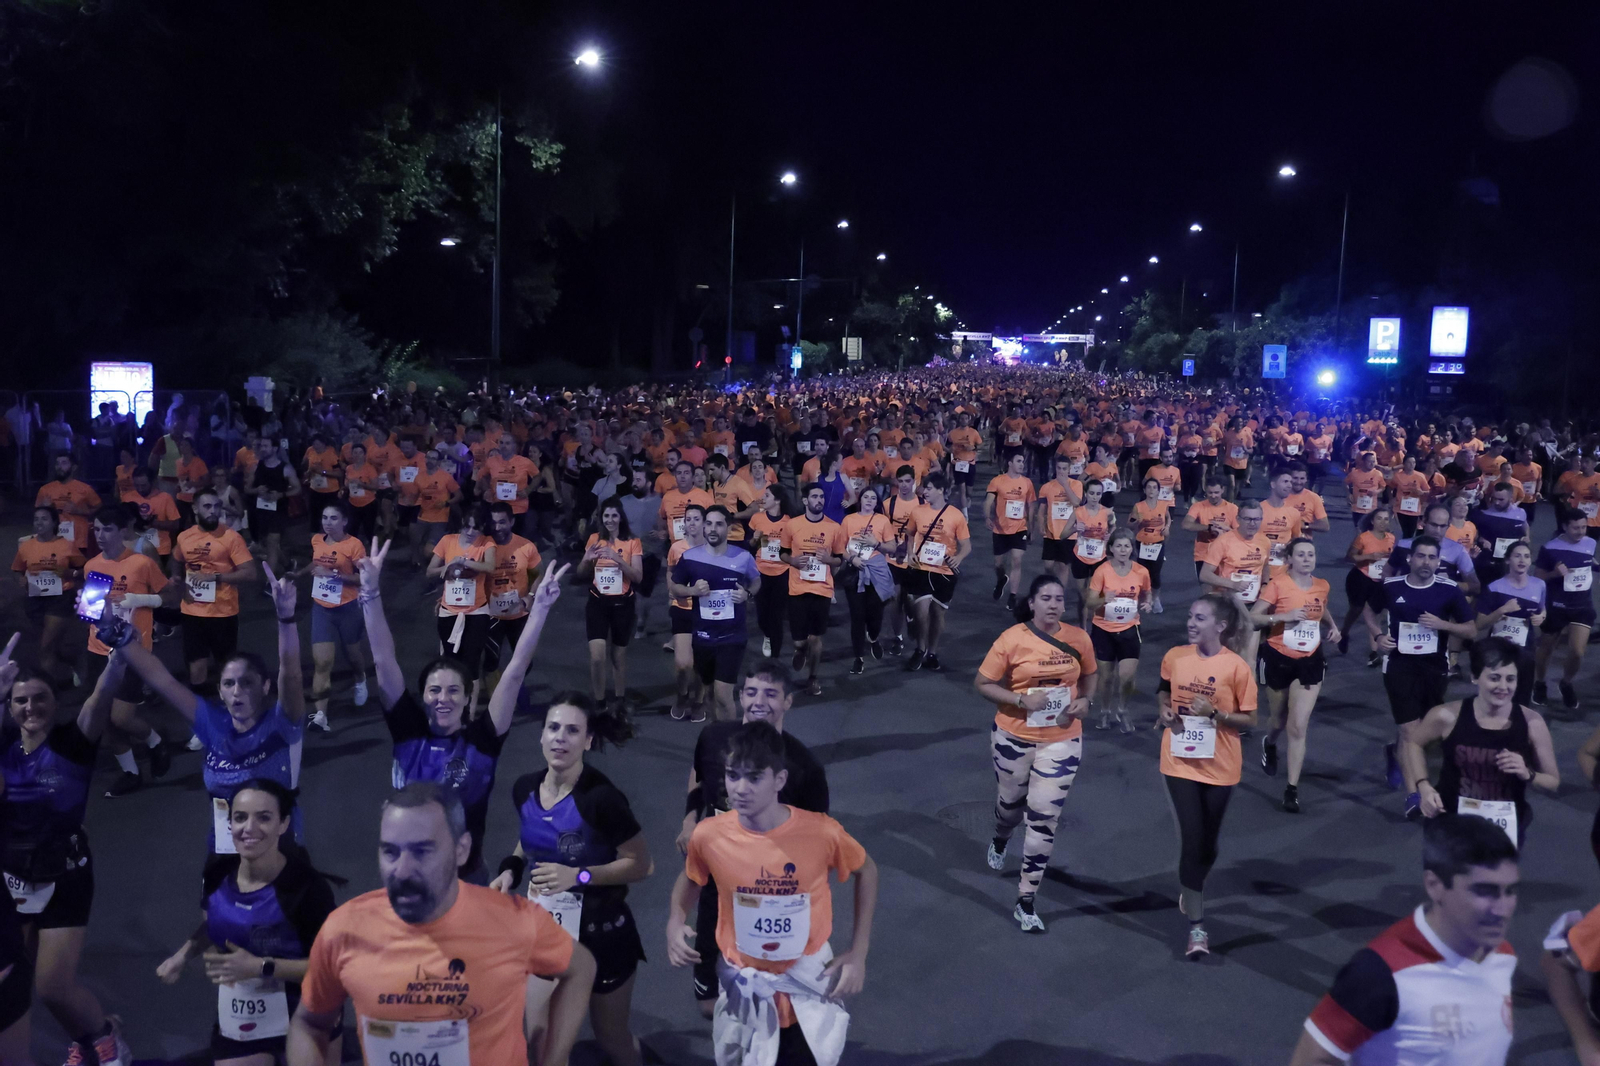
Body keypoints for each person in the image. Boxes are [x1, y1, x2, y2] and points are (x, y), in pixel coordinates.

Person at [286, 782, 596, 1066]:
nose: (402, 870)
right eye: (390, 852)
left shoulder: (513, 921)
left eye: (422, 851)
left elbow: (581, 968)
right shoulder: (344, 929)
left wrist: (553, 1059)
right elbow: (310, 1022)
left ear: (461, 850)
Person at [666, 721, 877, 1066]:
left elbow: (866, 870)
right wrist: (675, 920)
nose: (740, 788)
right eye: (733, 776)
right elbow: (691, 877)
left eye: (754, 777)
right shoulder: (709, 836)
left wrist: (859, 952)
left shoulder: (821, 833)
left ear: (779, 781)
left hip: (804, 991)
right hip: (744, 991)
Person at [365, 537, 567, 882]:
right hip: (410, 876)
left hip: (469, 877)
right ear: (423, 695)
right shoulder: (408, 731)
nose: (443, 698)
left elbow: (516, 668)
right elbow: (383, 661)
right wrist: (370, 594)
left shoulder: (482, 740)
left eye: (453, 690)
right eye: (434, 690)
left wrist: (541, 609)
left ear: (467, 696)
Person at [487, 694, 649, 1066]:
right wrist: (511, 868)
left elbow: (642, 865)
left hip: (604, 933)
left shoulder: (602, 799)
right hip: (546, 931)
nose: (560, 738)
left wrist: (580, 875)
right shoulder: (524, 788)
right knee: (540, 1046)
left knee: (614, 1041)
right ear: (541, 736)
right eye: (553, 728)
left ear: (588, 741)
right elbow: (532, 840)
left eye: (573, 730)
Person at [1290, 815, 1518, 1066]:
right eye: (1484, 891)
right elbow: (1312, 1059)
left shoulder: (1503, 955)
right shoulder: (1381, 972)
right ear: (1435, 886)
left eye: (1509, 891)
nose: (1502, 909)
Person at [0, 635, 130, 1066]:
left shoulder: (73, 742)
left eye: (40, 699)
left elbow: (103, 693)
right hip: (12, 877)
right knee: (12, 981)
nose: (30, 707)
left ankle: (104, 1038)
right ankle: (81, 1034)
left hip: (65, 876)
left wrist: (117, 653)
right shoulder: (3, 748)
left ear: (55, 703)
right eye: (20, 700)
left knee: (53, 987)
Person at [676, 661, 829, 1018]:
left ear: (788, 702)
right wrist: (689, 819)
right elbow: (699, 778)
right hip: (717, 886)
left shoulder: (805, 767)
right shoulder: (713, 738)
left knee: (769, 1003)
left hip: (772, 896)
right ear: (740, 696)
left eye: (771, 694)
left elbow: (818, 842)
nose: (759, 701)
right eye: (751, 692)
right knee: (708, 1004)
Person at [121, 564, 307, 855]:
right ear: (219, 690)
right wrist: (119, 639)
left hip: (277, 856)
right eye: (229, 683)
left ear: (266, 687)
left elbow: (292, 674)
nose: (237, 691)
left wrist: (286, 617)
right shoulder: (212, 723)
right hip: (224, 852)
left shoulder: (282, 724)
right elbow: (161, 679)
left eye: (247, 683)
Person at [156, 780, 340, 1066]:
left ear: (283, 824)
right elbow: (219, 922)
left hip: (308, 1010)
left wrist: (260, 967)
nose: (249, 828)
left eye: (264, 817)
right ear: (229, 823)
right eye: (240, 817)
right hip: (245, 1014)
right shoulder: (217, 874)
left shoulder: (307, 889)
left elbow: (332, 970)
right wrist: (182, 956)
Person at [974, 575, 1097, 932]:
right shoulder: (1011, 640)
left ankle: (1025, 899)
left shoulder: (1079, 638)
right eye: (1046, 597)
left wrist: (1087, 700)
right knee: (1010, 807)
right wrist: (1019, 700)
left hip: (1062, 739)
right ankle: (1001, 836)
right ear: (1032, 603)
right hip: (1014, 737)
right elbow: (982, 683)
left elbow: (1090, 675)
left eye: (1059, 598)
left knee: (1043, 818)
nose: (1054, 604)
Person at [1156, 594, 1257, 959]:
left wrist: (1216, 714)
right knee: (1193, 838)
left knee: (1209, 846)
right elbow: (1163, 690)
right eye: (1189, 616)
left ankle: (1192, 884)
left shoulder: (1237, 669)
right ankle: (1197, 928)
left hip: (1221, 764)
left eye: (1200, 618)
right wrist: (1165, 711)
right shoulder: (1175, 657)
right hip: (1179, 758)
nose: (1191, 623)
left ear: (1221, 626)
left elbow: (1250, 719)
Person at [1400, 638, 1558, 851]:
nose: (1503, 687)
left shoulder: (1532, 723)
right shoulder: (1446, 716)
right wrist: (1423, 786)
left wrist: (1527, 773)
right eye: (1494, 678)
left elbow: (1553, 782)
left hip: (1503, 829)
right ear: (1475, 677)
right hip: (1450, 824)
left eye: (1510, 679)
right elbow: (1414, 743)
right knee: (1449, 882)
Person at [1369, 536, 1478, 816]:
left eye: (1432, 557)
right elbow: (1370, 612)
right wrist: (1379, 637)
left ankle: (1395, 753)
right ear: (1410, 559)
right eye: (1421, 556)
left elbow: (1471, 630)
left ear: (1438, 562)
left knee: (1426, 735)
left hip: (1434, 668)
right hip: (1399, 666)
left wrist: (1442, 624)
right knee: (1410, 730)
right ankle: (1414, 796)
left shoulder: (1449, 590)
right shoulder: (1392, 587)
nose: (1426, 562)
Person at [83, 506, 174, 796]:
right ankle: (130, 772)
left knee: (120, 717)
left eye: (106, 529)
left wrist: (138, 599)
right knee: (104, 718)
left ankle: (156, 742)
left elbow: (170, 596)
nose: (100, 535)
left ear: (122, 531)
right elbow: (91, 610)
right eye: (96, 529)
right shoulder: (92, 565)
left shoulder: (140, 563)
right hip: (98, 650)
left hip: (133, 652)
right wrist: (97, 611)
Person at [1251, 538, 1340, 813]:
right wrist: (1282, 617)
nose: (1306, 559)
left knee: (1298, 725)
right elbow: (1253, 618)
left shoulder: (1322, 585)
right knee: (1278, 719)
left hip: (1310, 659)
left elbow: (1320, 608)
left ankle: (1291, 789)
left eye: (1311, 554)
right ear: (1289, 558)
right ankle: (1270, 742)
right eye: (1301, 554)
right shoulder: (1277, 584)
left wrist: (1333, 626)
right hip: (1278, 658)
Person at [672, 506, 763, 720]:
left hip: (732, 637)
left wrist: (747, 594)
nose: (713, 529)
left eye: (719, 524)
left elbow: (756, 580)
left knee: (723, 695)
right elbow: (675, 587)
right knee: (711, 692)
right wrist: (692, 591)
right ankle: (717, 736)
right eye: (709, 523)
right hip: (703, 637)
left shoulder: (742, 557)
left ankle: (733, 743)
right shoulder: (690, 558)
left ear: (728, 528)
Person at [173, 487, 259, 692]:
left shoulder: (231, 537)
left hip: (223, 612)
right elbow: (177, 559)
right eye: (207, 506)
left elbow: (250, 573)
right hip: (192, 611)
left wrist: (216, 577)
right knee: (196, 669)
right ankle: (200, 712)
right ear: (195, 509)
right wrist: (176, 578)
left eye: (217, 506)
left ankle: (229, 705)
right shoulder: (185, 537)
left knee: (225, 666)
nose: (213, 511)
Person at [300, 502, 370, 732]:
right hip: (322, 608)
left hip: (347, 607)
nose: (327, 523)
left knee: (353, 654)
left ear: (344, 522)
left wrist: (336, 575)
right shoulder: (317, 540)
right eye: (324, 517)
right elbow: (316, 562)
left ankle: (360, 679)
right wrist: (299, 573)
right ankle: (321, 715)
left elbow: (363, 578)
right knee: (322, 663)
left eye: (333, 518)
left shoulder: (354, 545)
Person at [425, 500, 496, 708]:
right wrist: (448, 566)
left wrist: (464, 562)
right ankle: (452, 705)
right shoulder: (448, 541)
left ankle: (469, 713)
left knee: (472, 662)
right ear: (461, 524)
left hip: (476, 611)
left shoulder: (487, 543)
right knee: (451, 662)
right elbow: (430, 571)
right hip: (449, 611)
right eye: (467, 526)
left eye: (476, 527)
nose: (471, 531)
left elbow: (490, 566)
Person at [899, 474, 971, 671]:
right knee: (921, 612)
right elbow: (910, 534)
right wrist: (910, 553)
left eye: (929, 488)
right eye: (924, 488)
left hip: (944, 572)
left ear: (940, 490)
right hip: (922, 568)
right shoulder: (917, 511)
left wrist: (959, 558)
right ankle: (920, 649)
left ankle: (932, 652)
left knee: (937, 614)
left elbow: (966, 546)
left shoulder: (956, 515)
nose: (925, 492)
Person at [578, 498, 644, 712]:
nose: (610, 520)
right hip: (597, 603)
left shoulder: (632, 542)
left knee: (618, 655)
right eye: (606, 515)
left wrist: (618, 559)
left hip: (622, 605)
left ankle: (620, 697)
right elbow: (580, 573)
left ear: (621, 517)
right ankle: (599, 700)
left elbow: (638, 577)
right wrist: (587, 559)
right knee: (597, 657)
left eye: (614, 515)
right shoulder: (594, 540)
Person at [1084, 529, 1150, 732]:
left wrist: (1147, 604)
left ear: (1132, 548)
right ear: (1111, 548)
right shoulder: (1102, 571)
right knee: (1106, 677)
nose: (1123, 550)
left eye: (1127, 546)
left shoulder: (1141, 572)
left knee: (1127, 677)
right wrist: (1105, 599)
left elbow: (1146, 594)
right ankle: (1104, 711)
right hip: (1104, 629)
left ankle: (1122, 709)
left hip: (1130, 628)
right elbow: (1089, 603)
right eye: (1119, 546)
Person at [781, 486, 845, 696]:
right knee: (800, 640)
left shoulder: (834, 527)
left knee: (816, 637)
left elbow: (839, 558)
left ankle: (813, 678)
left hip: (822, 588)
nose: (819, 500)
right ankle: (800, 649)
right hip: (797, 588)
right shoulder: (792, 525)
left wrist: (829, 560)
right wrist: (792, 561)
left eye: (821, 497)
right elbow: (783, 553)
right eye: (814, 497)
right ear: (806, 501)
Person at [11, 505, 84, 686]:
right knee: (52, 645)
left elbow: (84, 568)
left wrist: (71, 574)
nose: (39, 523)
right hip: (35, 600)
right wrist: (22, 581)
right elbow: (18, 570)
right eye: (36, 519)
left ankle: (50, 689)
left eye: (44, 519)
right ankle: (73, 662)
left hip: (61, 598)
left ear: (54, 523)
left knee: (45, 647)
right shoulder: (26, 547)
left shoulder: (66, 545)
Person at [1532, 505, 1596, 710]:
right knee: (1546, 648)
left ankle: (1566, 682)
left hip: (1582, 605)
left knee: (1577, 652)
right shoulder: (1550, 548)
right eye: (1576, 528)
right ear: (1564, 527)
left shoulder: (1590, 543)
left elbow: (1588, 561)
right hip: (1556, 606)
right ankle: (1540, 682)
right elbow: (1538, 577)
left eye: (1584, 527)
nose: (1580, 532)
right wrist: (1554, 574)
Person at [1199, 499, 1270, 666]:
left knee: (1249, 660)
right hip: (1229, 604)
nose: (1253, 523)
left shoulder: (1264, 541)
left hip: (1253, 605)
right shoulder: (1223, 542)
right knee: (1228, 657)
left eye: (1257, 519)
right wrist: (1232, 585)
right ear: (1238, 519)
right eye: (1248, 519)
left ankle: (1247, 691)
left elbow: (1266, 566)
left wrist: (1265, 585)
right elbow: (1204, 575)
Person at [1476, 541, 1545, 707]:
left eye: (1526, 556)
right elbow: (1479, 624)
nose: (1522, 560)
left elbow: (1542, 609)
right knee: (1496, 696)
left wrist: (1541, 617)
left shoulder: (1539, 585)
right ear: (1507, 560)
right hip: (1497, 650)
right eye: (1517, 556)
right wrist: (1501, 611)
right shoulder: (1494, 588)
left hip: (1526, 649)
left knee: (1522, 698)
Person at [839, 486, 894, 674]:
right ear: (860, 500)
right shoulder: (848, 520)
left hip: (876, 572)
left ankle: (874, 637)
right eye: (865, 497)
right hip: (855, 572)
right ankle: (858, 657)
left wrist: (876, 544)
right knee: (857, 616)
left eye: (873, 498)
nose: (869, 500)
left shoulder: (882, 520)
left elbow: (892, 547)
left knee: (875, 613)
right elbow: (839, 547)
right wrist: (851, 558)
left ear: (877, 502)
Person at [666, 505, 708, 721]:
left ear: (704, 522)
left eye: (696, 519)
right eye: (688, 519)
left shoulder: (713, 548)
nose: (691, 523)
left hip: (707, 612)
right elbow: (671, 572)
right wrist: (671, 592)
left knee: (702, 662)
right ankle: (682, 695)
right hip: (682, 608)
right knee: (683, 664)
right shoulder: (676, 548)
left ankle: (699, 701)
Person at [1338, 506, 1395, 666]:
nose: (1383, 522)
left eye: (1386, 519)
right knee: (1356, 610)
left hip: (1379, 581)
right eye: (1379, 518)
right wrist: (1369, 556)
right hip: (1360, 578)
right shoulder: (1363, 537)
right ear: (1372, 521)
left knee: (1375, 613)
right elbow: (1350, 557)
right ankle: (1344, 632)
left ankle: (1373, 653)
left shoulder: (1391, 538)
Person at [243, 436, 300, 578]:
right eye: (261, 445)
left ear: (275, 448)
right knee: (269, 545)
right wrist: (257, 490)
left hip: (278, 512)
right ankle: (288, 564)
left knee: (272, 543)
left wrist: (281, 494)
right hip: (261, 512)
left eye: (266, 446)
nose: (262, 449)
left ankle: (270, 582)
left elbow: (298, 489)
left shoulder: (285, 468)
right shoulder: (256, 467)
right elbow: (247, 489)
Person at [985, 451, 1035, 612]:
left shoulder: (1027, 483)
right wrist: (987, 516)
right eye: (1019, 461)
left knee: (1017, 560)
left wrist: (1031, 527)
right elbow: (988, 502)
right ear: (1010, 463)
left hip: (1020, 528)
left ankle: (1013, 595)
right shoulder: (997, 481)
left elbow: (1031, 506)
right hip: (1000, 528)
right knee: (998, 564)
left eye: (1023, 461)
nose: (1022, 464)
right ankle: (1001, 580)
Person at [748, 488, 791, 661]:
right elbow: (751, 545)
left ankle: (775, 657)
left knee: (776, 616)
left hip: (782, 572)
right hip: (761, 572)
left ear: (778, 500)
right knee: (762, 617)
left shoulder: (790, 522)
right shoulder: (757, 519)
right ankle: (767, 635)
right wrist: (754, 539)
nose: (762, 498)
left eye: (767, 496)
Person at [34, 455, 101, 562]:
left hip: (78, 539)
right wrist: (46, 509)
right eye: (57, 463)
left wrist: (80, 511)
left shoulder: (85, 489)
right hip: (53, 536)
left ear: (74, 467)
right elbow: (37, 514)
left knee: (78, 571)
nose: (59, 466)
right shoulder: (45, 489)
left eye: (64, 463)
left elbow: (99, 508)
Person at [1130, 476, 1171, 613]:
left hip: (1158, 543)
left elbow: (1168, 518)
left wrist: (1168, 527)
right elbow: (1129, 524)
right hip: (1142, 543)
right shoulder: (1138, 506)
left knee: (1156, 573)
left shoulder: (1163, 505)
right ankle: (1143, 599)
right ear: (1144, 490)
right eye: (1149, 487)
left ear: (1159, 491)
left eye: (1154, 488)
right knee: (1142, 572)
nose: (1151, 490)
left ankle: (1156, 598)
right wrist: (1137, 522)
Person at [1182, 476, 1237, 579]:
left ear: (1223, 490)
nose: (1213, 496)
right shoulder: (1198, 506)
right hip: (1203, 555)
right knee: (1207, 592)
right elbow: (1186, 524)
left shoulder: (1232, 508)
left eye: (1216, 492)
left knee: (1224, 590)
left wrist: (1225, 529)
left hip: (1226, 556)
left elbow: (1239, 533)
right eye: (1210, 493)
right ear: (1205, 491)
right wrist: (1208, 527)